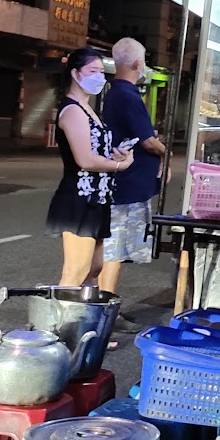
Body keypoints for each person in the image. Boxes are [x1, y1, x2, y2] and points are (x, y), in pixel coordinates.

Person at [49, 47, 133, 293]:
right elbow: (85, 159)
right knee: (76, 270)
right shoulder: (73, 110)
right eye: (92, 71)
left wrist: (116, 153)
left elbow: (94, 151)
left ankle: (82, 325)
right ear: (75, 73)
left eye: (100, 71)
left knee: (94, 269)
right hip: (79, 198)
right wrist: (120, 165)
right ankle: (56, 326)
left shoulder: (88, 109)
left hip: (98, 197)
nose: (99, 77)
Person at [102, 38, 167, 287]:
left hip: (125, 182)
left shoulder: (115, 93)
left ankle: (102, 302)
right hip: (127, 185)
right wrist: (166, 154)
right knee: (114, 249)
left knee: (114, 248)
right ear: (138, 63)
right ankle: (103, 304)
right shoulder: (127, 95)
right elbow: (148, 141)